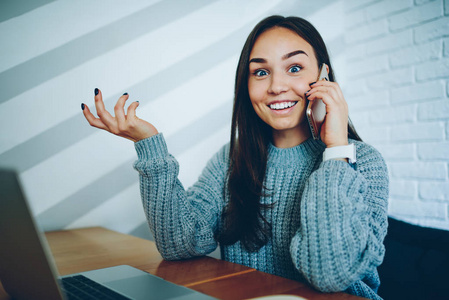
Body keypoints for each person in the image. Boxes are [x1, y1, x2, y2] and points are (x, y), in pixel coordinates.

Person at [81, 15, 389, 300]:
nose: (276, 87)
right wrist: (149, 145)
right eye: (261, 72)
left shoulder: (362, 162)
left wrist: (334, 151)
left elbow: (330, 274)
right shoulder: (232, 158)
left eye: (294, 68)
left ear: (324, 76)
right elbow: (180, 244)